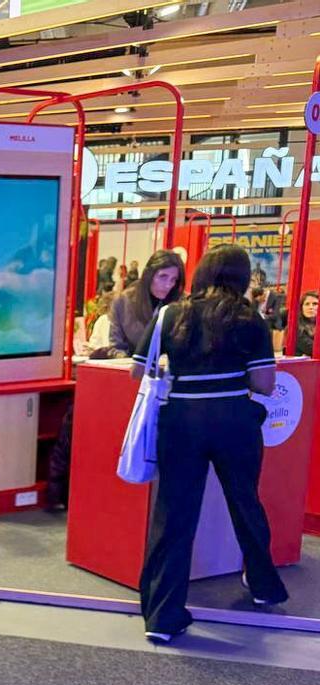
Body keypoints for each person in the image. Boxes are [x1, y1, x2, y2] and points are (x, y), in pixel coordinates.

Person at [132, 245, 286, 643]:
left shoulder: (171, 314)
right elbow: (264, 384)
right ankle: (265, 586)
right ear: (241, 275)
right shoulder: (250, 318)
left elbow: (138, 370)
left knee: (173, 513)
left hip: (181, 420)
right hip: (234, 420)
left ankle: (162, 617)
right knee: (245, 502)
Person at [108, 249, 185, 357]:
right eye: (163, 277)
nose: (168, 285)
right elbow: (115, 347)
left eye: (173, 279)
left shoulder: (183, 303)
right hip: (133, 368)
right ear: (149, 274)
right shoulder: (123, 302)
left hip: (171, 369)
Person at [296, 290, 318, 357]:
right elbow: (313, 349)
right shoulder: (296, 326)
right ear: (301, 307)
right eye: (307, 304)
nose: (310, 307)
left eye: (315, 304)